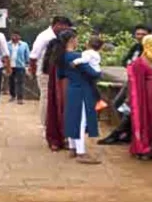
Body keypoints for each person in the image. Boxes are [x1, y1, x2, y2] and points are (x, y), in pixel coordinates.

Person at [56, 30, 103, 164]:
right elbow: (93, 74)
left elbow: (61, 75)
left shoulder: (62, 56)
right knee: (81, 121)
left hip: (72, 88)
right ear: (72, 40)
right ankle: (81, 152)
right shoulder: (76, 56)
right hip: (83, 90)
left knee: (72, 118)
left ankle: (73, 148)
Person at [29, 16, 73, 126]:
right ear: (58, 24)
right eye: (65, 27)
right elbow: (34, 56)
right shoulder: (45, 37)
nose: (66, 29)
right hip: (45, 72)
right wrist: (34, 72)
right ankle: (45, 125)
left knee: (54, 100)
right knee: (46, 99)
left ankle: (54, 125)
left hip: (56, 72)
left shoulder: (59, 37)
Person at [42, 30, 71, 151]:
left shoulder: (57, 58)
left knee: (55, 110)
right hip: (63, 90)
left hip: (58, 90)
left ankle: (58, 139)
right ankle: (61, 139)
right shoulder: (65, 58)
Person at [72, 36, 108, 112]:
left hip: (92, 72)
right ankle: (99, 100)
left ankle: (99, 101)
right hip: (97, 71)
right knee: (93, 85)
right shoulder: (96, 53)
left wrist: (75, 62)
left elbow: (84, 60)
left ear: (88, 44)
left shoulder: (87, 53)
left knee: (91, 85)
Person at [7, 32, 30, 104]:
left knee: (20, 82)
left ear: (19, 37)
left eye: (16, 35)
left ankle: (20, 98)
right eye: (13, 35)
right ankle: (12, 95)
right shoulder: (7, 44)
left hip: (20, 65)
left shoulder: (24, 45)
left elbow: (27, 54)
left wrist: (27, 64)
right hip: (10, 65)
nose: (15, 37)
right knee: (11, 81)